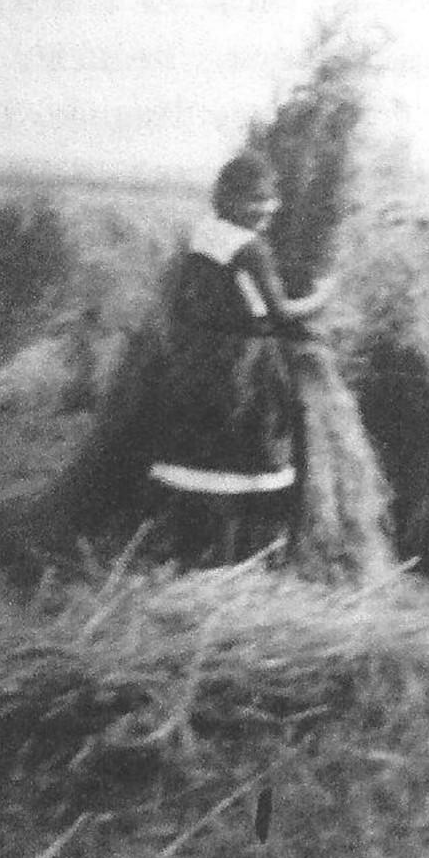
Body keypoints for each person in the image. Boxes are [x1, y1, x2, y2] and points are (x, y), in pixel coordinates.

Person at [148, 150, 332, 565]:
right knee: (252, 451)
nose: (266, 210)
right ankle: (244, 556)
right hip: (244, 363)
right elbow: (281, 310)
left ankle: (193, 549)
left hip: (198, 358)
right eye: (256, 201)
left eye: (269, 200)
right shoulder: (251, 248)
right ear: (230, 200)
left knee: (199, 452)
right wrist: (323, 295)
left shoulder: (202, 235)